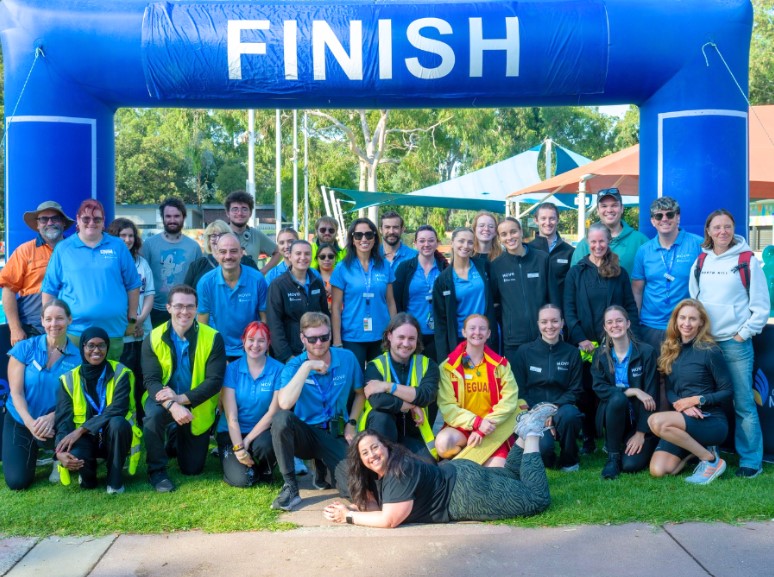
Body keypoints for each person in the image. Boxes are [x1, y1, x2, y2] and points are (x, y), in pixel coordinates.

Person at [322, 403, 557, 527]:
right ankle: (523, 435)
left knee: (537, 498)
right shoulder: (382, 472)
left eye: (374, 447)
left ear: (385, 446)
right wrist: (351, 509)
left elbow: (389, 519)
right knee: (511, 474)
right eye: (365, 452)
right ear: (361, 460)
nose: (372, 454)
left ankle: (532, 434)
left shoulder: (398, 471)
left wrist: (348, 518)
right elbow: (378, 509)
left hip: (465, 494)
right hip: (460, 474)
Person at [689, 209, 769, 478]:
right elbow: (695, 300)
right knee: (708, 403)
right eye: (716, 227)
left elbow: (760, 307)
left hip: (735, 345)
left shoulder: (747, 260)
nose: (722, 231)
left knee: (744, 403)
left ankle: (750, 460)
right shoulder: (702, 261)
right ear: (708, 231)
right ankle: (710, 455)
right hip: (706, 345)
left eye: (727, 226)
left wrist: (741, 335)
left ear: (735, 229)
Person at [270, 312, 365, 511]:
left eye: (324, 337)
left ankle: (323, 469)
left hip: (334, 432)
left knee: (354, 490)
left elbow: (360, 393)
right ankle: (290, 487)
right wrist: (307, 366)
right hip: (305, 433)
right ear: (302, 338)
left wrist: (352, 422)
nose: (319, 343)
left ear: (331, 334)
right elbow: (285, 402)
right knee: (281, 419)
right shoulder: (295, 366)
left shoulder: (347, 358)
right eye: (312, 339)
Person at [564, 222, 640, 453]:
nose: (598, 245)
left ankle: (615, 436)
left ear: (609, 242)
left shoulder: (619, 272)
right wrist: (579, 338)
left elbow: (630, 306)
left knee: (614, 387)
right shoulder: (576, 272)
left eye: (602, 241)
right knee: (587, 390)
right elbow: (568, 308)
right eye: (593, 241)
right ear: (588, 242)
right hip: (586, 343)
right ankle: (588, 437)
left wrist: (630, 336)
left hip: (614, 342)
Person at [142, 284, 226, 492]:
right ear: (169, 307)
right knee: (152, 417)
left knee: (192, 468)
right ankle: (157, 472)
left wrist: (181, 399)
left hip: (196, 404)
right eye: (179, 306)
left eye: (190, 307)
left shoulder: (213, 337)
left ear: (196, 309)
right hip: (162, 400)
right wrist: (172, 404)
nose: (184, 312)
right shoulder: (152, 337)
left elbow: (214, 382)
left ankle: (174, 436)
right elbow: (151, 380)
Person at [41, 199, 141, 362]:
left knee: (109, 382)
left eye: (97, 219)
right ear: (78, 220)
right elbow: (49, 290)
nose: (91, 223)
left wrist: (132, 319)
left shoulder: (117, 246)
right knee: (73, 382)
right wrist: (49, 322)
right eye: (86, 219)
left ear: (103, 222)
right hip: (74, 332)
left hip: (113, 331)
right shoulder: (63, 248)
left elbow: (133, 285)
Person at [648, 299, 733, 484]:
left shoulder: (709, 350)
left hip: (710, 420)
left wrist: (695, 400)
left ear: (701, 322)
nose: (687, 323)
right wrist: (682, 406)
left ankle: (710, 461)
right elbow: (670, 389)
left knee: (655, 421)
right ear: (676, 320)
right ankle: (696, 451)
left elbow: (727, 391)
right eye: (683, 318)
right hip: (684, 417)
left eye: (693, 319)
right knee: (658, 470)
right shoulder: (671, 348)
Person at [3, 300, 80, 490]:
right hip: (21, 419)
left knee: (72, 429)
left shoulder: (78, 357)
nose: (54, 324)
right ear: (42, 322)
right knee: (17, 482)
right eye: (49, 319)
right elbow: (16, 392)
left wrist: (52, 417)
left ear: (69, 320)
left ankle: (56, 458)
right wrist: (30, 424)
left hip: (56, 421)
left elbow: (76, 399)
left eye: (60, 318)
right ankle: (36, 451)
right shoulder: (24, 348)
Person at [54, 326, 136, 493]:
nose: (96, 350)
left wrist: (81, 430)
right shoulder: (68, 379)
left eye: (101, 345)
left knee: (118, 423)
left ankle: (115, 481)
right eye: (91, 345)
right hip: (86, 439)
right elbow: (63, 420)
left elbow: (117, 408)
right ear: (82, 347)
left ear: (107, 347)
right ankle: (87, 476)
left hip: (112, 436)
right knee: (88, 484)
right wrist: (59, 452)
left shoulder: (121, 372)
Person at [435, 314, 519, 467]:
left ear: (488, 334)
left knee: (498, 470)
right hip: (462, 428)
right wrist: (476, 423)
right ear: (464, 332)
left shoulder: (501, 366)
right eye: (472, 328)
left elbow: (510, 400)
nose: (477, 332)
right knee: (443, 443)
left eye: (482, 328)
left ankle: (469, 459)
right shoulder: (448, 367)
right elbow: (447, 407)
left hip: (492, 428)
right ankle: (466, 457)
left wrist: (482, 428)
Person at [360, 313, 440, 462]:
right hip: (382, 434)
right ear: (389, 336)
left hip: (415, 434)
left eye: (411, 339)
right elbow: (377, 400)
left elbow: (425, 396)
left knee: (429, 471)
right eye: (401, 337)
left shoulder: (428, 365)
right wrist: (410, 405)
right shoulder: (375, 365)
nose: (406, 343)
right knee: (380, 416)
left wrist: (387, 386)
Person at [591, 306, 658, 480]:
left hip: (639, 419)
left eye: (619, 320)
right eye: (610, 322)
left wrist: (641, 433)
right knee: (617, 398)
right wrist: (633, 390)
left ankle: (637, 441)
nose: (615, 325)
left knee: (630, 465)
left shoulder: (646, 352)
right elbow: (599, 387)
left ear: (628, 323)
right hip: (613, 414)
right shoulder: (600, 354)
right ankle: (613, 456)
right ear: (605, 328)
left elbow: (651, 394)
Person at [513, 304, 583, 471]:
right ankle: (549, 457)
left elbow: (576, 390)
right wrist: (539, 412)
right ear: (538, 324)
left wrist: (551, 410)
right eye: (544, 322)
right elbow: (519, 390)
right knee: (544, 453)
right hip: (532, 410)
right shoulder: (524, 352)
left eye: (554, 321)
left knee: (570, 415)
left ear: (562, 323)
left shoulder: (572, 353)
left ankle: (569, 460)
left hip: (562, 408)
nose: (549, 326)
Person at [631, 197, 703, 352]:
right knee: (654, 375)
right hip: (651, 326)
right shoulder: (644, 251)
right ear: (653, 221)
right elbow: (637, 291)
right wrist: (636, 325)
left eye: (669, 215)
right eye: (659, 216)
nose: (664, 219)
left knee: (682, 375)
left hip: (685, 326)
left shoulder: (698, 245)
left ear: (678, 217)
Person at [217, 321, 282, 487]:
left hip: (262, 432)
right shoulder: (231, 370)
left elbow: (272, 412)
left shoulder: (279, 370)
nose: (255, 345)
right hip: (232, 432)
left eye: (261, 340)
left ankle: (265, 469)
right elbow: (231, 417)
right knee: (242, 480)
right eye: (251, 339)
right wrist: (239, 447)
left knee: (267, 444)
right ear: (243, 341)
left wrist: (247, 441)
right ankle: (246, 468)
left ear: (268, 344)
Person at [0, 201, 74, 346]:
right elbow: (8, 291)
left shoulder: (76, 251)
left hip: (72, 328)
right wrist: (15, 329)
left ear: (63, 223)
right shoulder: (24, 251)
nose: (49, 222)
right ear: (38, 224)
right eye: (44, 219)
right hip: (33, 328)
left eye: (55, 218)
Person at [491, 217, 558, 367]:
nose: (509, 237)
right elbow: (495, 301)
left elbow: (553, 297)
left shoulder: (542, 259)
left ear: (521, 232)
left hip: (543, 336)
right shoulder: (497, 266)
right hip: (513, 341)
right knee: (517, 387)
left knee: (543, 384)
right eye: (504, 234)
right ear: (500, 238)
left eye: (513, 232)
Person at [331, 218, 397, 369]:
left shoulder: (384, 266)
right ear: (352, 240)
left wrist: (394, 333)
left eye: (369, 235)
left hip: (382, 334)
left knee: (380, 380)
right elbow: (335, 307)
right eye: (358, 235)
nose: (364, 239)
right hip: (352, 335)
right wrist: (337, 340)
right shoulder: (342, 268)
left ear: (375, 238)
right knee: (355, 384)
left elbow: (390, 302)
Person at [108, 217, 155, 425]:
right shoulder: (109, 263)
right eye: (122, 235)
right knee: (124, 377)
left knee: (144, 376)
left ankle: (145, 418)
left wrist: (139, 320)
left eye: (130, 235)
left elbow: (150, 294)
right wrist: (128, 324)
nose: (127, 239)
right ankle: (126, 418)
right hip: (121, 333)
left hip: (143, 331)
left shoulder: (142, 263)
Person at [197, 233, 268, 361]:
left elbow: (264, 318)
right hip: (218, 349)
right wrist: (209, 354)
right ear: (216, 255)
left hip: (251, 348)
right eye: (223, 252)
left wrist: (263, 350)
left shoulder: (257, 279)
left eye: (233, 251)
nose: (228, 256)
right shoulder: (206, 282)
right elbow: (203, 323)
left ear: (241, 253)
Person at [433, 227, 497, 362]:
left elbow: (496, 295)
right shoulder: (443, 280)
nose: (465, 246)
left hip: (485, 336)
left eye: (470, 242)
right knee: (466, 377)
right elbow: (441, 321)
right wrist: (443, 358)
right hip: (461, 339)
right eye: (461, 241)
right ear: (452, 242)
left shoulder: (483, 266)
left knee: (486, 378)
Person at [140, 197, 203, 328]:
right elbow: (142, 279)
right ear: (162, 218)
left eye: (176, 216)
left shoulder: (194, 247)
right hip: (154, 309)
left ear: (183, 217)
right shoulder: (149, 245)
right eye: (168, 216)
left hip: (184, 310)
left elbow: (198, 282)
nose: (172, 220)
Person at [266, 240, 330, 363]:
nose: (303, 257)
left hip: (315, 350)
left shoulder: (317, 282)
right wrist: (287, 356)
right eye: (298, 253)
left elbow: (325, 317)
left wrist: (326, 346)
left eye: (307, 254)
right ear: (290, 256)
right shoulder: (278, 285)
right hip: (289, 355)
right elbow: (274, 324)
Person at [392, 224, 449, 362]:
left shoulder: (445, 268)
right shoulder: (405, 268)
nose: (426, 244)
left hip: (439, 334)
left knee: (436, 374)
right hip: (412, 334)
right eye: (422, 241)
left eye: (431, 240)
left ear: (437, 242)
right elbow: (396, 301)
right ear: (415, 243)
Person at [571, 188, 647, 274]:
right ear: (597, 211)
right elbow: (574, 278)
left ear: (622, 208)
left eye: (614, 205)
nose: (609, 210)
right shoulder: (585, 244)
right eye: (604, 206)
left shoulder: (640, 241)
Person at [183, 219, 258, 290]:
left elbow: (258, 285)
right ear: (208, 240)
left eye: (222, 235)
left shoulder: (246, 262)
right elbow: (185, 293)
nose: (218, 239)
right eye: (213, 236)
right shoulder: (197, 266)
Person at [528, 202, 575, 306]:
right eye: (543, 218)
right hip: (534, 312)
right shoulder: (527, 250)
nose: (548, 222)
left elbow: (572, 287)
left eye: (552, 218)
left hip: (560, 312)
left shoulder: (569, 252)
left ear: (558, 220)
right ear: (536, 220)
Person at [224, 190, 282, 275]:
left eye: (244, 209)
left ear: (250, 213)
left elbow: (278, 252)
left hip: (250, 285)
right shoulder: (219, 234)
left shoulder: (256, 235)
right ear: (227, 213)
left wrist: (262, 272)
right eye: (235, 209)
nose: (240, 213)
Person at [313, 242, 338, 307]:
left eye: (330, 256)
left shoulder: (342, 278)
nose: (327, 259)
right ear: (317, 259)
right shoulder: (311, 279)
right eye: (322, 256)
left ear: (335, 258)